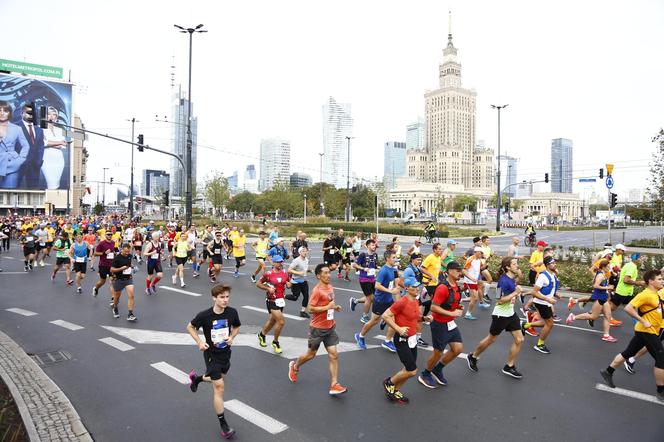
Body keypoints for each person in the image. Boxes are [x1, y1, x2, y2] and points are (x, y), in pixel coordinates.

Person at [600, 269, 664, 402]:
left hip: (648, 331)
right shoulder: (645, 294)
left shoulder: (656, 294)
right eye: (659, 279)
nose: (662, 280)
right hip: (647, 331)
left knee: (627, 353)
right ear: (651, 281)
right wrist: (643, 321)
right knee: (661, 358)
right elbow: (628, 308)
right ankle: (661, 391)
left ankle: (608, 371)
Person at [187, 284, 240, 439]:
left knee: (219, 379)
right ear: (214, 298)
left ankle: (197, 379)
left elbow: (236, 326)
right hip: (211, 355)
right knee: (219, 387)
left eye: (227, 297)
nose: (225, 300)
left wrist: (232, 337)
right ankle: (224, 425)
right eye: (222, 297)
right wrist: (199, 342)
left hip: (226, 354)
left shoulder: (232, 312)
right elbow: (190, 327)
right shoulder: (205, 316)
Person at [288, 263, 347, 396]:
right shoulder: (317, 290)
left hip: (330, 327)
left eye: (328, 272)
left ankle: (334, 384)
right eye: (325, 273)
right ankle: (295, 366)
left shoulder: (330, 287)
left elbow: (329, 304)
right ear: (318, 276)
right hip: (317, 329)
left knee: (334, 355)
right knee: (311, 355)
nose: (328, 275)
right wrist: (327, 308)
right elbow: (310, 308)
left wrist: (334, 307)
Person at [466, 257, 525, 378]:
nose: (517, 266)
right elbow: (499, 300)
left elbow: (517, 280)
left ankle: (509, 366)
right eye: (514, 264)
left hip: (511, 314)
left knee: (519, 339)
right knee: (491, 339)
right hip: (500, 315)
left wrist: (519, 274)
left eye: (517, 264)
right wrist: (515, 293)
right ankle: (473, 356)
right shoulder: (502, 282)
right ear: (508, 267)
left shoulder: (511, 278)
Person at [382, 278, 431, 403]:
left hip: (412, 339)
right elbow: (385, 315)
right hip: (402, 340)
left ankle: (394, 391)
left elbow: (415, 318)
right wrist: (398, 328)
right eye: (414, 287)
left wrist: (425, 319)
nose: (417, 289)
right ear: (407, 288)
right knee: (412, 371)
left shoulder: (415, 301)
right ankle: (389, 382)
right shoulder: (402, 302)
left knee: (408, 369)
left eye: (418, 286)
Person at [418, 261, 465, 389]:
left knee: (458, 349)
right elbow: (433, 307)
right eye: (457, 270)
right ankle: (425, 374)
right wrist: (452, 313)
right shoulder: (443, 287)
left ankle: (437, 369)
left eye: (460, 270)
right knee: (438, 353)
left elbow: (451, 302)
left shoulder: (455, 286)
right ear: (450, 271)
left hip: (450, 323)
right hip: (439, 324)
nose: (460, 273)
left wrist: (458, 307)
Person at [354, 251, 401, 353]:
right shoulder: (383, 270)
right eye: (393, 257)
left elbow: (397, 281)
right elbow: (377, 285)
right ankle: (360, 336)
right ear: (387, 259)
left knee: (395, 319)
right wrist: (390, 291)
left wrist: (403, 286)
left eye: (396, 257)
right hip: (380, 300)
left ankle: (387, 341)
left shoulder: (393, 269)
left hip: (389, 300)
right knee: (374, 321)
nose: (395, 259)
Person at [566, 259, 617, 342]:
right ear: (603, 267)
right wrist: (607, 287)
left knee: (608, 316)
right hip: (599, 298)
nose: (609, 268)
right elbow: (596, 286)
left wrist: (608, 287)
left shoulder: (603, 274)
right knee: (593, 316)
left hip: (603, 297)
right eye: (608, 266)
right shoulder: (600, 275)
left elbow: (601, 284)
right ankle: (573, 317)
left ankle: (606, 335)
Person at [522, 256, 559, 354]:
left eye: (555, 262)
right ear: (547, 265)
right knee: (550, 324)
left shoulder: (553, 275)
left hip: (546, 303)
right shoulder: (543, 276)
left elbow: (549, 288)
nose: (555, 264)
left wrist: (556, 294)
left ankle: (525, 325)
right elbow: (534, 292)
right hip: (542, 303)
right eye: (552, 263)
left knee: (544, 322)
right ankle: (539, 345)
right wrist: (548, 299)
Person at [256, 255, 291, 354]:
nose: (281, 263)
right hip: (271, 301)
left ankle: (262, 335)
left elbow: (288, 282)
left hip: (281, 301)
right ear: (273, 263)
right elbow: (258, 284)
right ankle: (275, 342)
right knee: (281, 321)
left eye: (281, 262)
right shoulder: (268, 274)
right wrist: (268, 289)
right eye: (279, 262)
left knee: (272, 321)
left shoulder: (285, 273)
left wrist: (289, 284)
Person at [0, 101, 30, 189]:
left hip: (12, 165)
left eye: (5, 111)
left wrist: (20, 160)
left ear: (9, 113)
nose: (2, 113)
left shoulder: (17, 128)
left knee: (9, 196)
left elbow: (26, 146)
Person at [349, 239, 379, 324]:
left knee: (373, 298)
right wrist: (363, 268)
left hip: (373, 279)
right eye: (373, 245)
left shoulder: (375, 255)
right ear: (368, 246)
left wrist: (379, 269)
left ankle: (355, 301)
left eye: (375, 245)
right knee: (369, 298)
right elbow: (354, 265)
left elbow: (375, 266)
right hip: (364, 279)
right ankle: (364, 316)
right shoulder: (363, 255)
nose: (374, 246)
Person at [41, 106, 67, 189]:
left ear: (56, 117)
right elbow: (44, 143)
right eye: (48, 114)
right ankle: (49, 201)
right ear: (45, 116)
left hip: (59, 159)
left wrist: (52, 143)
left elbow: (63, 145)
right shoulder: (40, 128)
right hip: (47, 159)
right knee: (50, 184)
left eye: (54, 114)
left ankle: (52, 201)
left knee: (56, 185)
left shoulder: (59, 130)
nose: (51, 116)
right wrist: (59, 142)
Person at [110, 243, 137, 321]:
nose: (127, 253)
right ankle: (115, 307)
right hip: (118, 280)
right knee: (117, 298)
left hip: (128, 279)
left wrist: (133, 267)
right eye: (125, 251)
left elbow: (128, 264)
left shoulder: (129, 256)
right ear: (122, 250)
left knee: (131, 295)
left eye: (128, 251)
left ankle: (130, 314)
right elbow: (112, 270)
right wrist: (121, 269)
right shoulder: (117, 258)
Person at [462, 247, 488, 320]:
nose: (482, 254)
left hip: (474, 281)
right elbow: (463, 270)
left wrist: (485, 261)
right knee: (475, 298)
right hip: (470, 281)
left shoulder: (479, 260)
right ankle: (468, 314)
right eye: (481, 253)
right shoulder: (470, 259)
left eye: (482, 253)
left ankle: (456, 296)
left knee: (468, 294)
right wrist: (471, 278)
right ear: (476, 252)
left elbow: (481, 268)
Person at [287, 247, 310, 318]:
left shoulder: (306, 260)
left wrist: (309, 271)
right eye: (303, 251)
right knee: (295, 297)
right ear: (299, 252)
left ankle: (302, 311)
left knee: (306, 296)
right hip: (296, 281)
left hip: (304, 281)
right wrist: (298, 273)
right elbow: (289, 270)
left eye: (306, 251)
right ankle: (282, 296)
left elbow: (304, 269)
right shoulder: (296, 260)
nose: (305, 252)